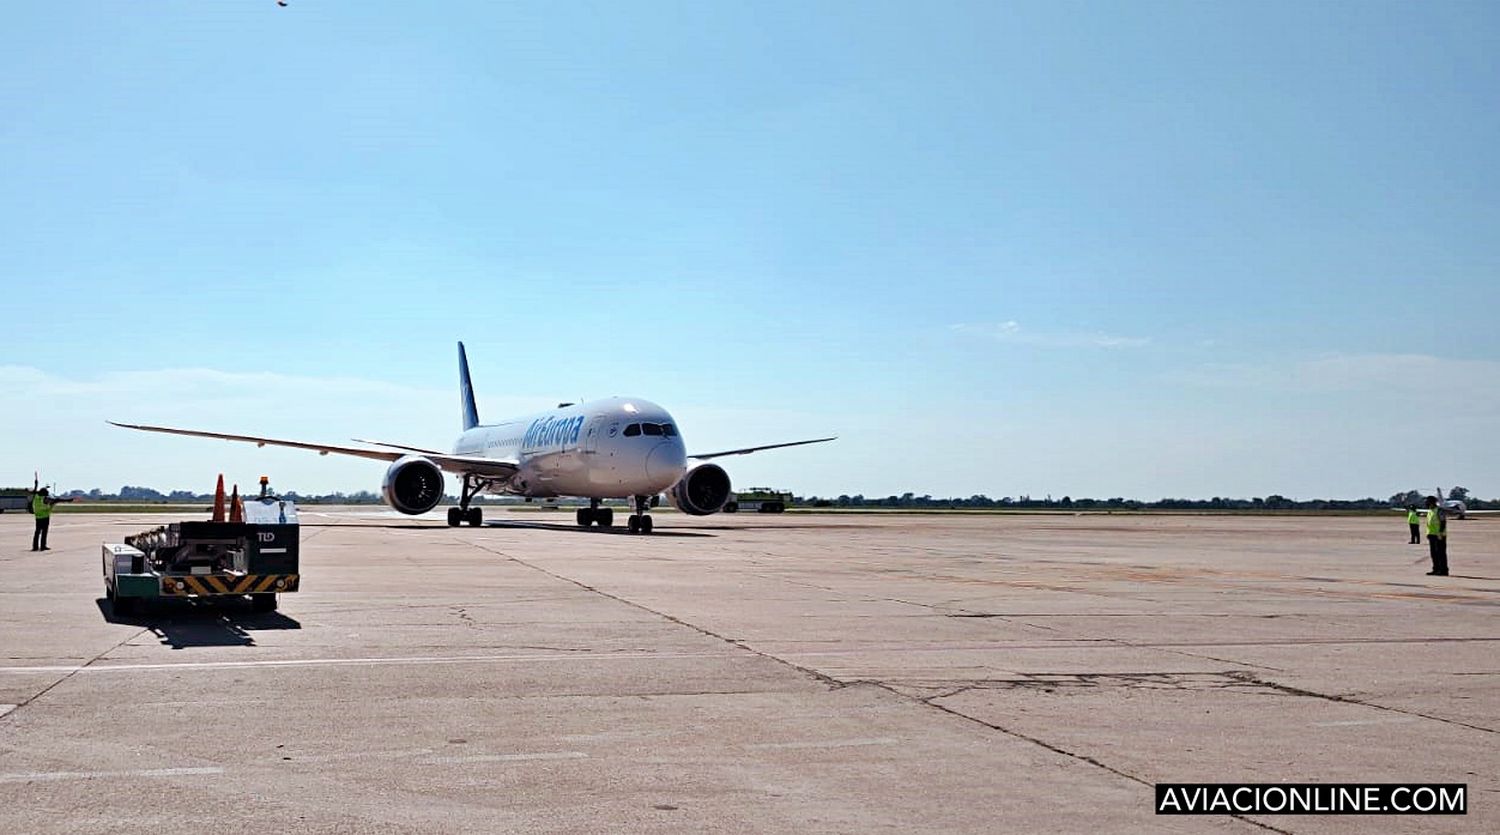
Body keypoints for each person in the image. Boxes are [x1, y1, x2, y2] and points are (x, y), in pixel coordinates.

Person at [28, 483, 70, 551]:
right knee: (44, 532)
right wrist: (67, 500)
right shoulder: (44, 499)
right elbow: (56, 500)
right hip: (45, 517)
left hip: (38, 517)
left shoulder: (36, 497)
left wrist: (37, 484)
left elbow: (36, 491)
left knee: (37, 532)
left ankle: (35, 547)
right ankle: (43, 546)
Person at [1424, 495, 1448, 576]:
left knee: (1440, 553)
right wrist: (1428, 533)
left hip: (1439, 535)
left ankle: (1443, 570)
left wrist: (1440, 533)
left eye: (1427, 501)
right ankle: (1436, 569)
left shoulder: (1439, 510)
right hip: (1432, 535)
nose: (1426, 503)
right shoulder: (1430, 511)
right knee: (1433, 554)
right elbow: (1429, 524)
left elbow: (1443, 522)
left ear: (1432, 502)